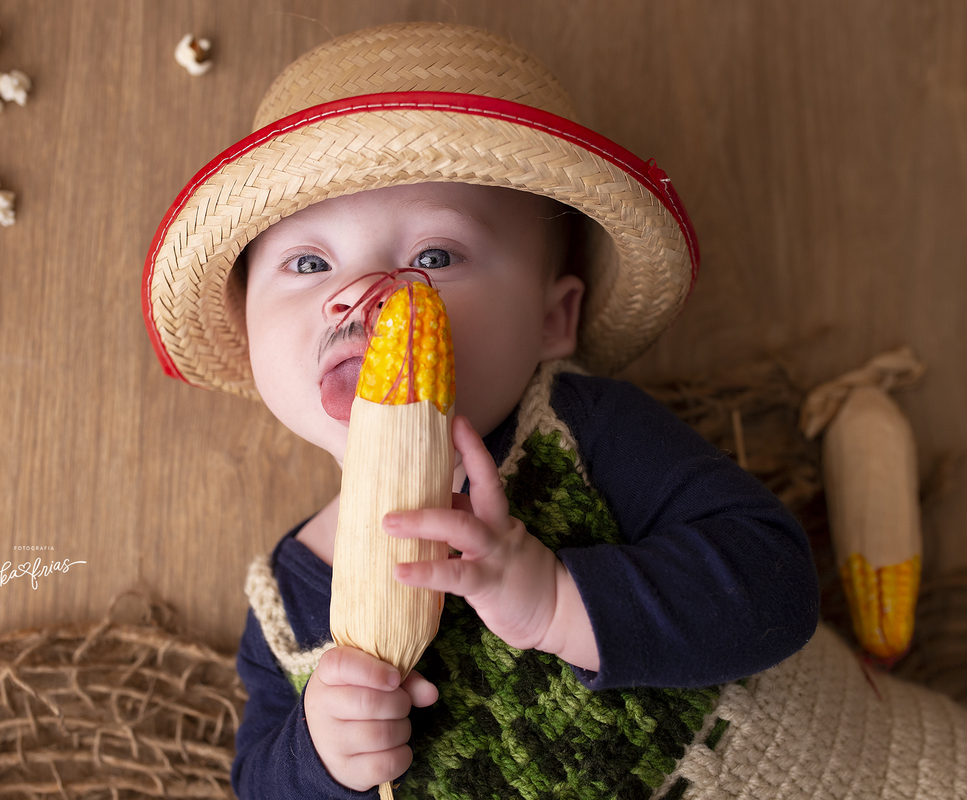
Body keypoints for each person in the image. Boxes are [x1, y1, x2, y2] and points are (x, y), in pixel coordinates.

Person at [142, 22, 820, 800]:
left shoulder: (583, 431)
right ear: (250, 333)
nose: (368, 294)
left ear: (552, 322)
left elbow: (779, 585)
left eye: (434, 257)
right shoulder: (287, 608)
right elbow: (257, 782)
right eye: (308, 262)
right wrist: (319, 754)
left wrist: (560, 600)